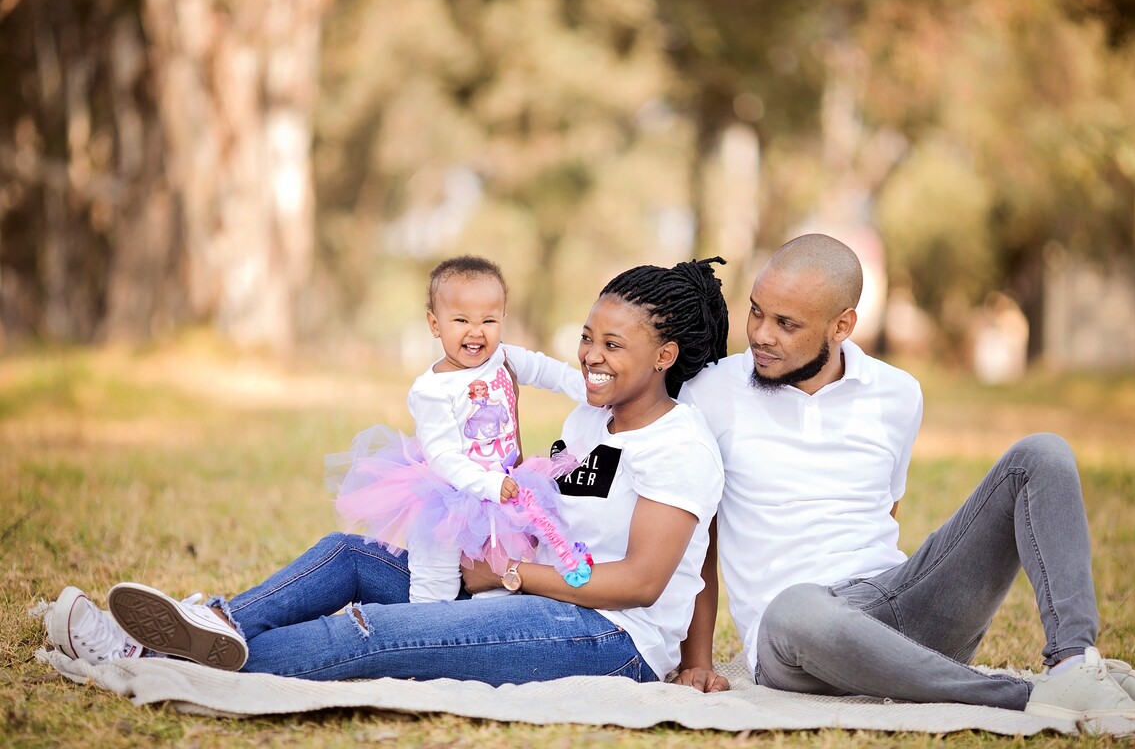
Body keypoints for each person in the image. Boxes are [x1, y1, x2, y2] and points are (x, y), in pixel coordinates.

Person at [45, 257, 731, 687]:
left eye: (612, 345)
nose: (589, 356)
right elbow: (591, 520)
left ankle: (148, 658)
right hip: (527, 585)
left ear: (665, 355)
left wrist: (511, 575)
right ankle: (207, 623)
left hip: (606, 638)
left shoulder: (678, 446)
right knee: (347, 555)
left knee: (373, 630)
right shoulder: (590, 418)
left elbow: (646, 580)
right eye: (586, 337)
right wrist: (498, 552)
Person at [674, 233, 1135, 725]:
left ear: (842, 325)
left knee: (1042, 454)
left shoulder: (897, 393)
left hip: (903, 604)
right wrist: (697, 659)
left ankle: (1074, 662)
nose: (760, 334)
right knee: (796, 608)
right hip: (796, 637)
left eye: (786, 323)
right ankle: (1027, 695)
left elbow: (888, 511)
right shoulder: (710, 393)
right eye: (756, 311)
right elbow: (697, 539)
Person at [328, 255, 587, 603]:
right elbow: (442, 455)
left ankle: (482, 623)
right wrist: (487, 484)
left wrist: (586, 388)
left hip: (503, 490)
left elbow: (546, 370)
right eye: (461, 320)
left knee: (499, 576)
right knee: (436, 582)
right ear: (435, 324)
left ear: (503, 319)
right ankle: (424, 624)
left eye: (488, 320)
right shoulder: (432, 389)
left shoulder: (503, 358)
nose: (476, 331)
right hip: (447, 496)